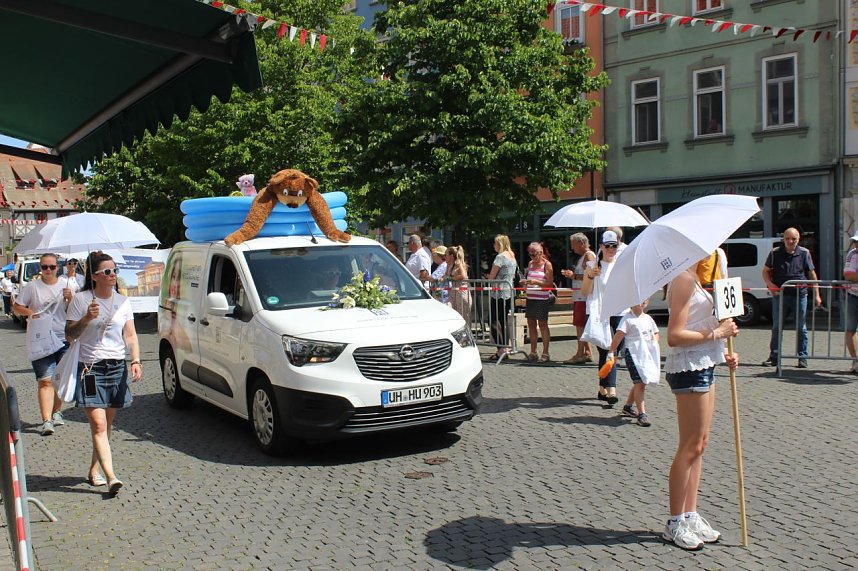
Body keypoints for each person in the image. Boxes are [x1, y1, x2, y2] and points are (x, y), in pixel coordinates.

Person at [661, 258, 739, 551]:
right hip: (689, 368)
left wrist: (725, 347)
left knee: (701, 444)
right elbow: (674, 336)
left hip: (706, 362)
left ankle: (690, 513)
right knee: (690, 445)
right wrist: (717, 334)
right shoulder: (682, 278)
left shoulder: (698, 277)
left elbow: (708, 325)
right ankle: (675, 521)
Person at [65, 252, 142, 493]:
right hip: (90, 369)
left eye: (114, 270)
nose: (112, 275)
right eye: (107, 272)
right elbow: (70, 335)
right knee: (98, 425)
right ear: (95, 276)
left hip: (116, 367)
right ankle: (111, 477)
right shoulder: (81, 300)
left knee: (106, 426)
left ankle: (93, 470)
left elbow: (130, 334)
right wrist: (87, 317)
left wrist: (135, 360)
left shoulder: (122, 301)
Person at [14, 253, 74, 435]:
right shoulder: (32, 287)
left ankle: (57, 412)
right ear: (40, 268)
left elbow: (75, 311)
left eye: (52, 267)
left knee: (60, 380)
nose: (48, 270)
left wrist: (71, 298)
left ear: (58, 267)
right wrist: (31, 312)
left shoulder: (67, 286)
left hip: (62, 338)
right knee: (45, 381)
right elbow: (16, 306)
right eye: (44, 267)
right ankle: (46, 420)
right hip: (40, 339)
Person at [761, 228, 822, 368]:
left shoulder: (804, 253)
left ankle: (802, 357)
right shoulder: (775, 253)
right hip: (780, 295)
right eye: (787, 238)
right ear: (783, 239)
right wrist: (770, 284)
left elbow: (812, 274)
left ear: (798, 239)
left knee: (801, 327)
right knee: (777, 326)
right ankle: (774, 356)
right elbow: (765, 271)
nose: (790, 241)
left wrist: (817, 294)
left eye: (793, 239)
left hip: (800, 295)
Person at [580, 231, 626, 404]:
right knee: (608, 350)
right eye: (607, 246)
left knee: (612, 349)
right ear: (601, 247)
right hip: (601, 313)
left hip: (620, 312)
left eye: (614, 246)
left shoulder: (622, 265)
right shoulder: (592, 265)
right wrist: (591, 275)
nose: (611, 249)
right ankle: (611, 390)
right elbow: (584, 292)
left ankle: (602, 387)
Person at [605, 300, 660, 427]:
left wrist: (654, 343)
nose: (642, 302)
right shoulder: (627, 319)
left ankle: (628, 407)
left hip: (646, 354)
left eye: (645, 299)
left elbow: (656, 333)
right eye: (639, 299)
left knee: (640, 382)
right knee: (640, 383)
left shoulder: (648, 318)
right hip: (633, 353)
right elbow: (618, 336)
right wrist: (611, 351)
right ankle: (642, 414)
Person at [561, 233, 597, 364]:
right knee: (581, 324)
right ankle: (587, 352)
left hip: (584, 297)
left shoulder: (588, 255)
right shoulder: (585, 256)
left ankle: (580, 354)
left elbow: (593, 275)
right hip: (581, 296)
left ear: (581, 243)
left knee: (580, 324)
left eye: (573, 244)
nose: (572, 247)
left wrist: (573, 276)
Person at [520, 241, 553, 363]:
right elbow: (530, 279)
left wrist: (536, 282)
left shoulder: (547, 265)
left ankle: (546, 352)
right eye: (530, 254)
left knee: (543, 325)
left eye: (534, 255)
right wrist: (526, 283)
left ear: (540, 253)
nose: (532, 257)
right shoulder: (530, 264)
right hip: (531, 298)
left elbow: (549, 284)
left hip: (542, 299)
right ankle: (533, 352)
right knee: (531, 324)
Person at [486, 234, 517, 358]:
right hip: (508, 292)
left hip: (498, 292)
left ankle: (501, 349)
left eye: (495, 243)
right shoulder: (512, 256)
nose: (494, 246)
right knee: (503, 320)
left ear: (499, 244)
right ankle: (506, 348)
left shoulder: (500, 257)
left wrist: (488, 277)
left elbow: (492, 276)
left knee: (492, 320)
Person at [842, 233, 858, 374]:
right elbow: (848, 274)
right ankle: (855, 360)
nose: (856, 245)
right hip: (853, 295)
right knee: (851, 329)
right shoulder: (852, 254)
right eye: (855, 242)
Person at [444, 246, 471, 321]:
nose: (444, 257)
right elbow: (446, 276)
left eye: (445, 255)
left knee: (463, 316)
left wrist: (451, 278)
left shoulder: (458, 264)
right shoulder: (449, 265)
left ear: (451, 256)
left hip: (461, 292)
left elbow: (463, 275)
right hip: (454, 292)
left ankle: (466, 332)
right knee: (453, 313)